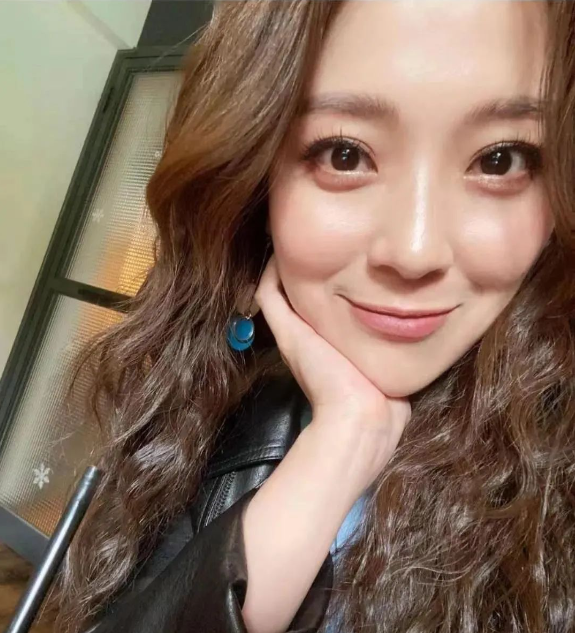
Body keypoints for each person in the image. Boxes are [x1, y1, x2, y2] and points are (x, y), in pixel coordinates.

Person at [48, 1, 575, 632]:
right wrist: (346, 438)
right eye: (344, 155)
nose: (414, 251)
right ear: (255, 179)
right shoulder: (211, 393)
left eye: (501, 160)